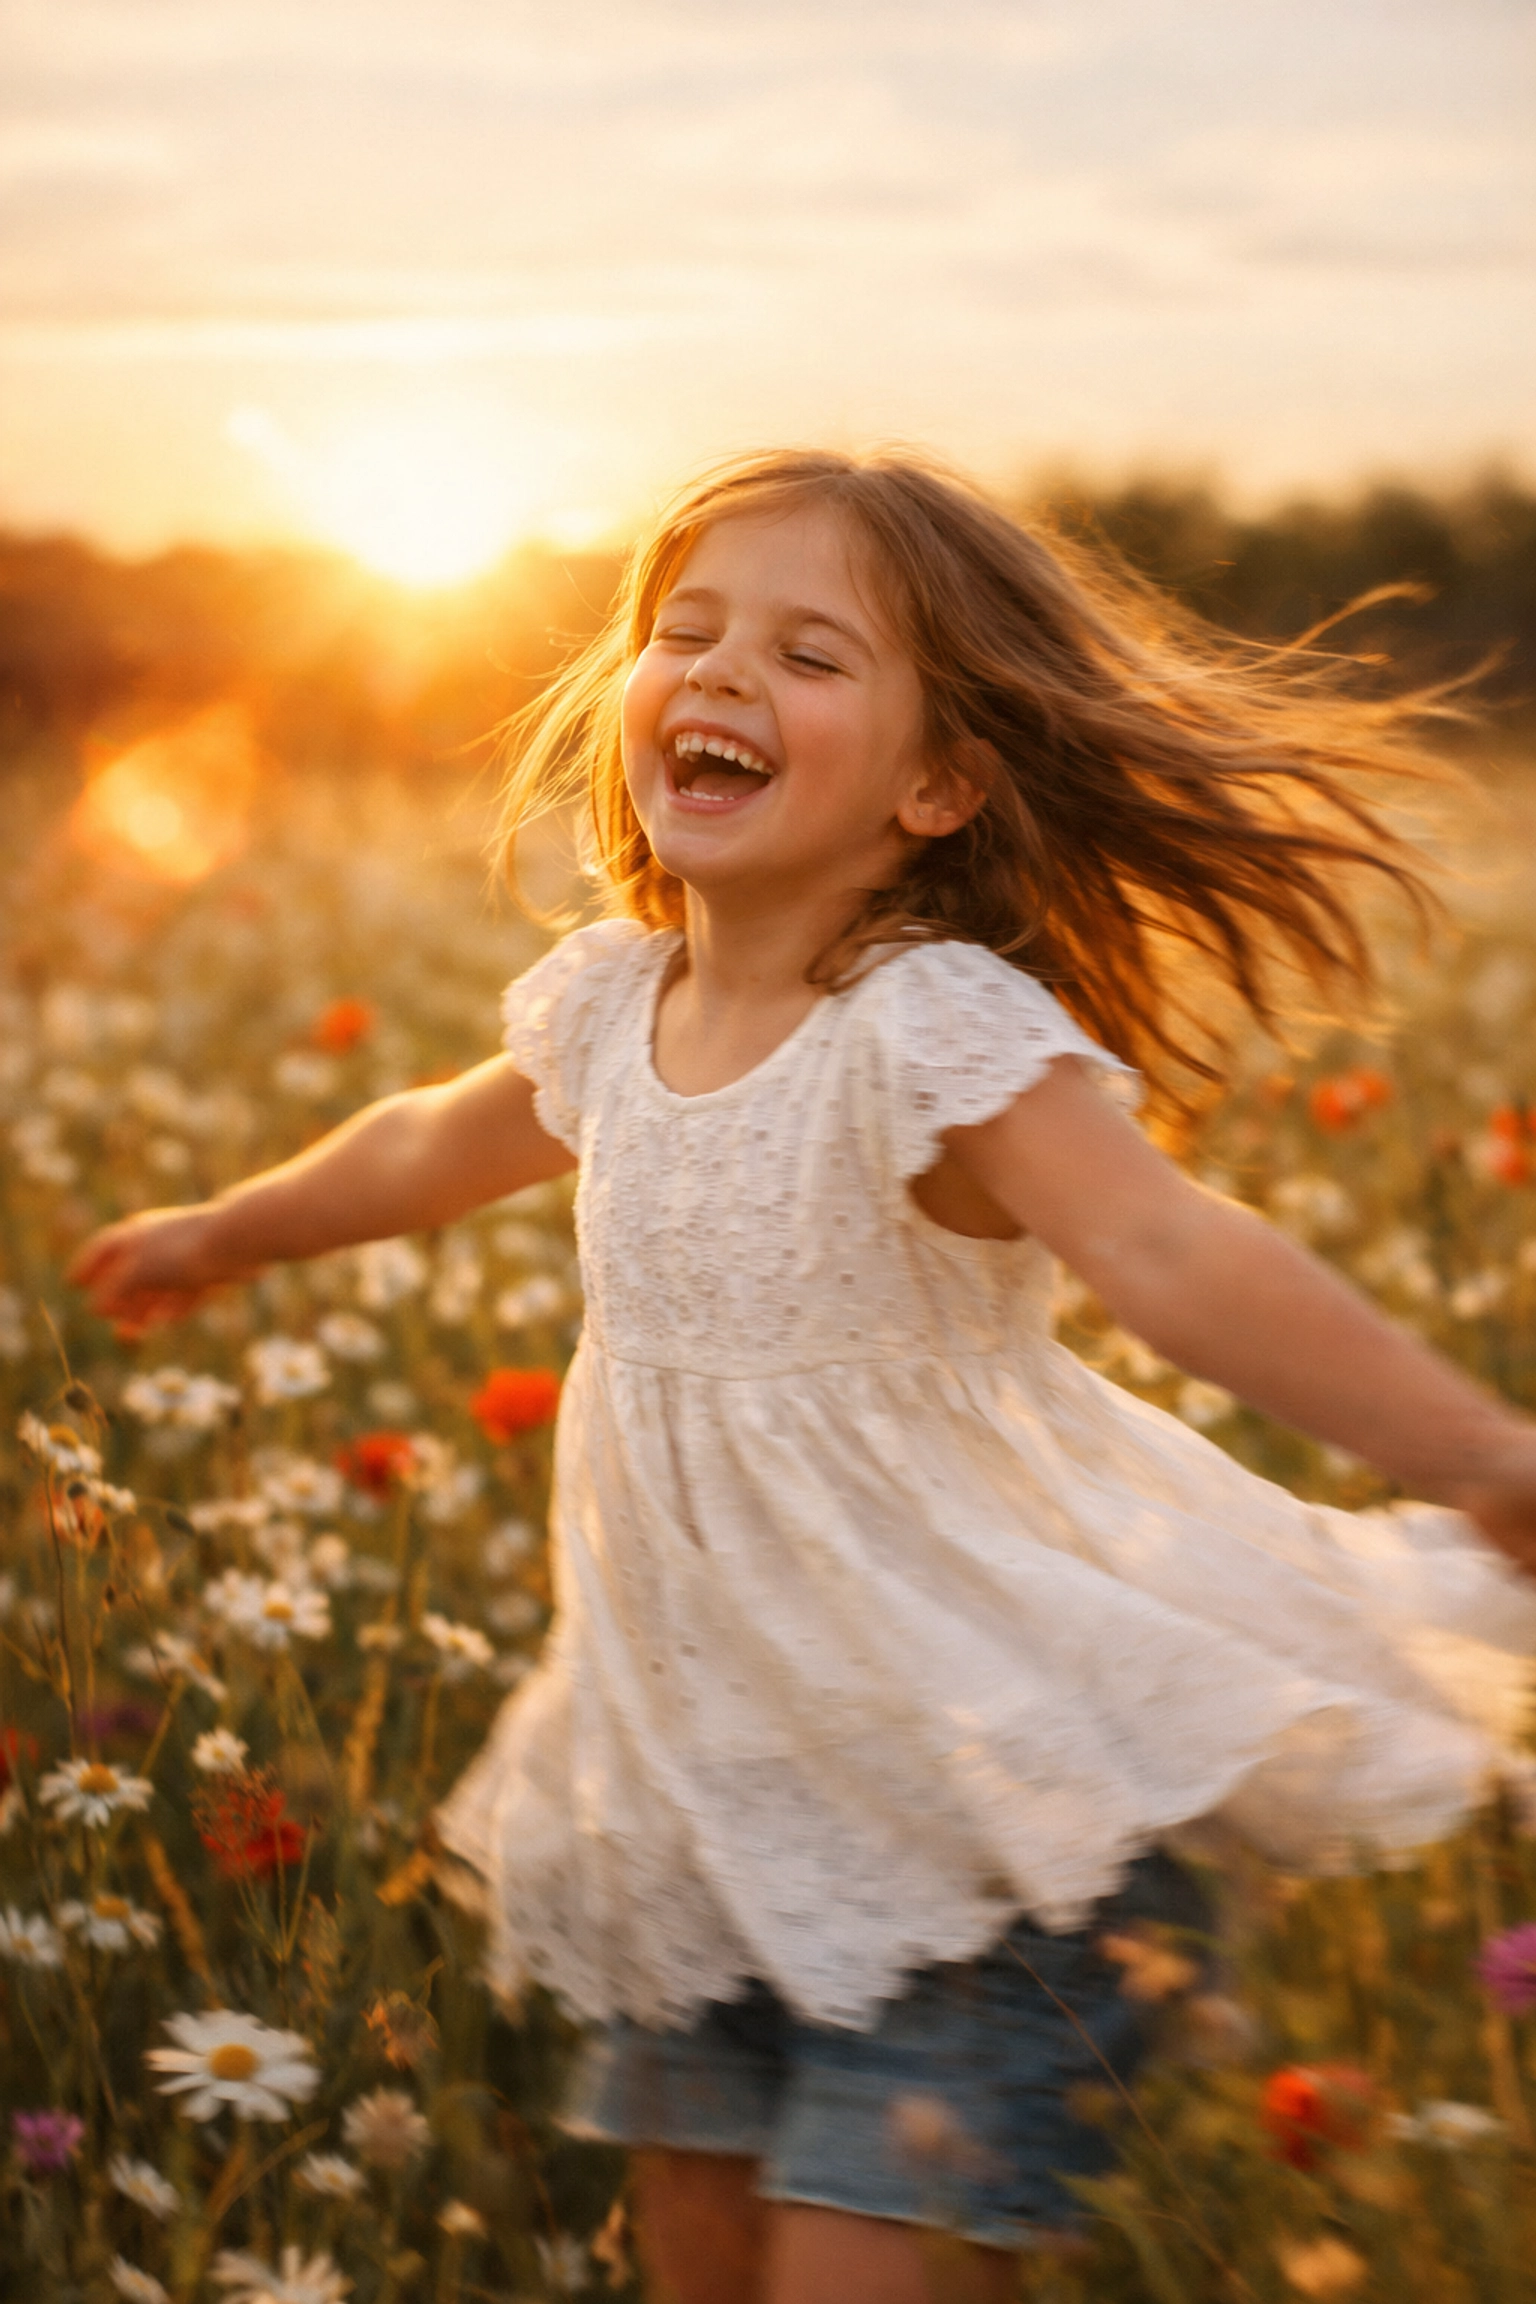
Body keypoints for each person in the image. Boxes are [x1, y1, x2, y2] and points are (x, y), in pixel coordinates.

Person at [70, 449, 1536, 2304]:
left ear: (940, 784)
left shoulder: (927, 1023)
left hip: (971, 1808)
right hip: (708, 1800)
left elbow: (1170, 1253)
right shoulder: (612, 1003)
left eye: (812, 655)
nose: (724, 673)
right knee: (698, 2256)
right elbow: (416, 1148)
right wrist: (227, 1231)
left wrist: (1484, 1448)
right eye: (682, 632)